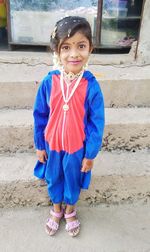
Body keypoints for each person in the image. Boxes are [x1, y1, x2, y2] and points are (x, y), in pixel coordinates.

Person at [33, 16, 105, 237]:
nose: (74, 54)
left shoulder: (91, 86)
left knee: (72, 179)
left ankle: (71, 210)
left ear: (90, 49)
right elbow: (40, 115)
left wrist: (90, 153)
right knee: (54, 177)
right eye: (66, 47)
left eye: (81, 46)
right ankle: (56, 209)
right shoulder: (49, 82)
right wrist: (39, 144)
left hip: (76, 147)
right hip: (52, 145)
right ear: (57, 51)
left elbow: (96, 122)